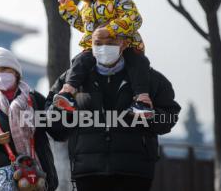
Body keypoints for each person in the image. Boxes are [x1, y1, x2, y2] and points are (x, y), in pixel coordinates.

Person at [46, 27, 181, 191]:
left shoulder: (149, 79)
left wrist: (151, 116)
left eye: (110, 43)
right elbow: (53, 126)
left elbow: (169, 117)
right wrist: (62, 110)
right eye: (98, 43)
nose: (104, 48)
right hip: (88, 172)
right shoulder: (71, 80)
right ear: (90, 45)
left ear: (123, 44)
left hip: (134, 171)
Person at [57, 0, 153, 117]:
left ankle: (142, 101)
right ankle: (67, 92)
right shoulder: (87, 7)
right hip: (93, 48)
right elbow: (83, 25)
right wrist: (67, 8)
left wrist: (109, 30)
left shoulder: (120, 1)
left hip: (126, 45)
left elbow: (134, 18)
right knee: (79, 61)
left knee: (139, 62)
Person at [0, 47, 61, 190]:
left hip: (35, 177)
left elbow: (58, 132)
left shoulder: (35, 100)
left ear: (15, 72)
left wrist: (63, 112)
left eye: (4, 69)